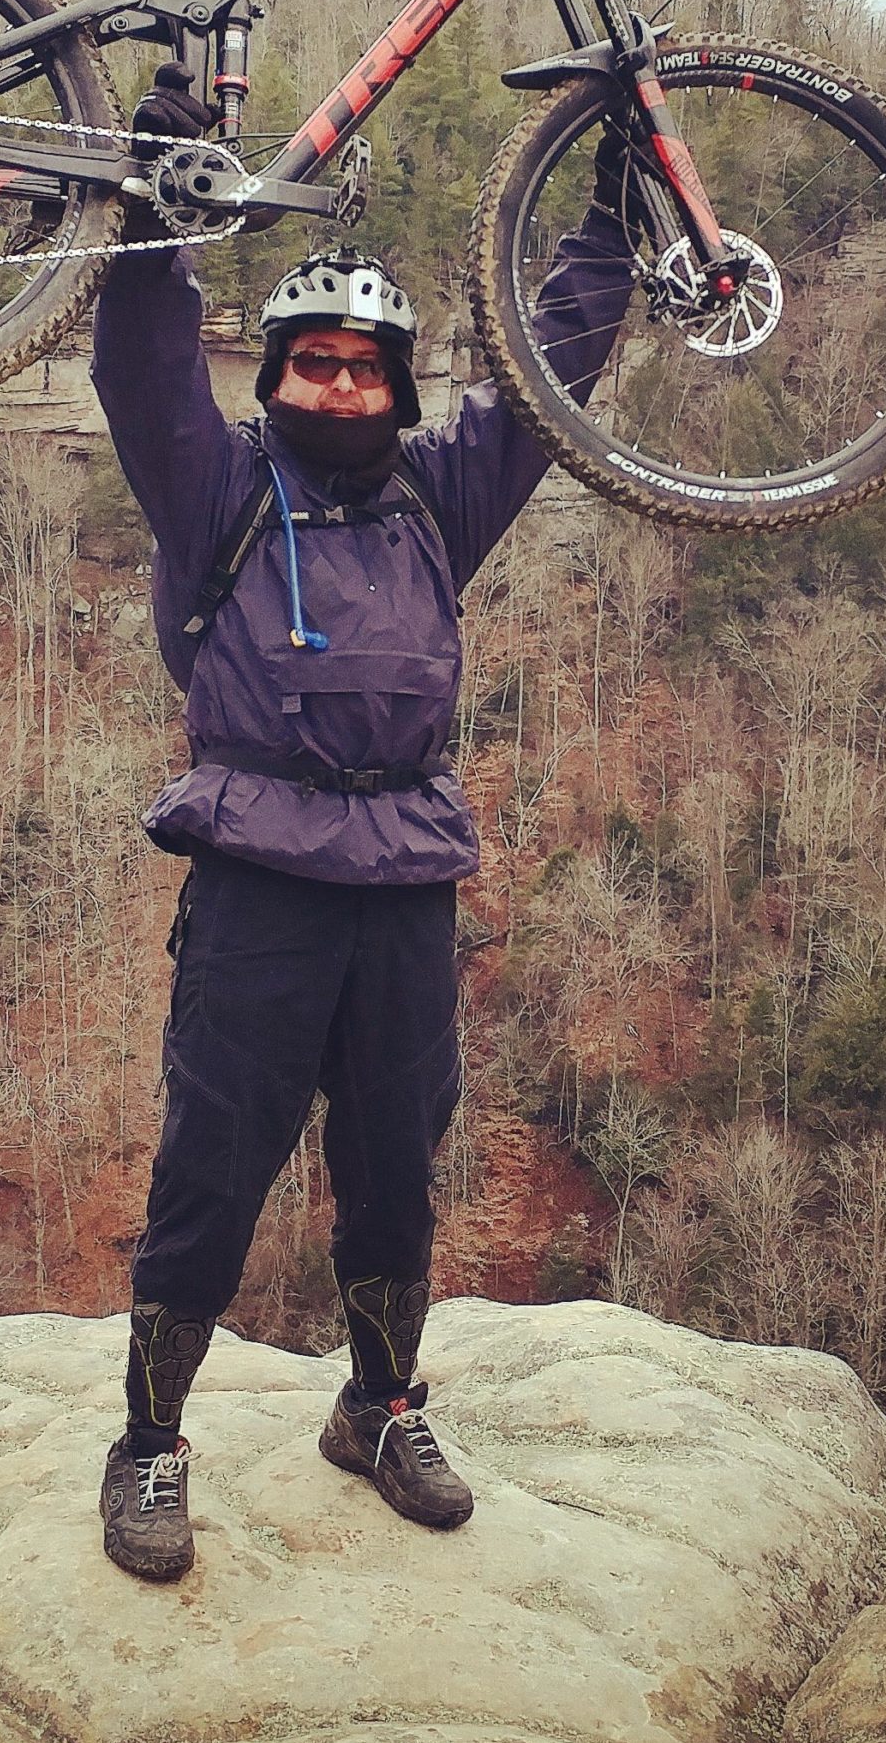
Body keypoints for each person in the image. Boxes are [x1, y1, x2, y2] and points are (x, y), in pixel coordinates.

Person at [90, 90, 632, 1581]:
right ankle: (148, 1444)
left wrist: (611, 224)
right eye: (313, 362)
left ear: (398, 386)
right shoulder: (217, 495)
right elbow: (142, 372)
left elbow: (544, 385)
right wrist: (158, 210)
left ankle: (379, 1407)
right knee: (212, 1169)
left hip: (404, 891)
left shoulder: (437, 503)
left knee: (396, 1167)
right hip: (257, 883)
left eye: (364, 364)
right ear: (274, 379)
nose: (339, 384)